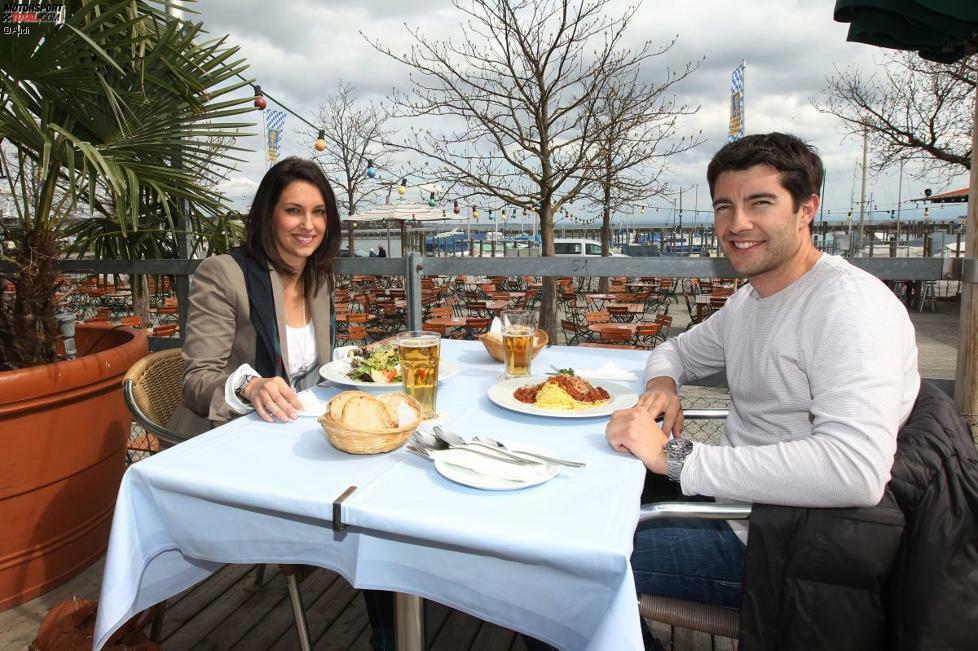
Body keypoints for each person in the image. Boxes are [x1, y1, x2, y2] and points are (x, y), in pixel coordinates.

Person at [605, 133, 920, 631]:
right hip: (730, 498)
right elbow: (673, 350)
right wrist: (664, 385)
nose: (738, 224)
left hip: (777, 541)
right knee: (584, 492)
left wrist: (676, 457)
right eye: (724, 206)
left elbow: (855, 470)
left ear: (806, 209)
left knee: (569, 567)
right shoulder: (749, 302)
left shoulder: (850, 308)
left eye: (761, 203)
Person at [166, 156, 396, 651]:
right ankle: (390, 630)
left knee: (389, 474)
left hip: (294, 437)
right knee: (377, 502)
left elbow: (312, 369)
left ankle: (391, 628)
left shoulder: (315, 276)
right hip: (226, 447)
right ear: (268, 213)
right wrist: (249, 386)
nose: (308, 225)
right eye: (294, 211)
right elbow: (195, 380)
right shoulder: (223, 273)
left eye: (318, 212)